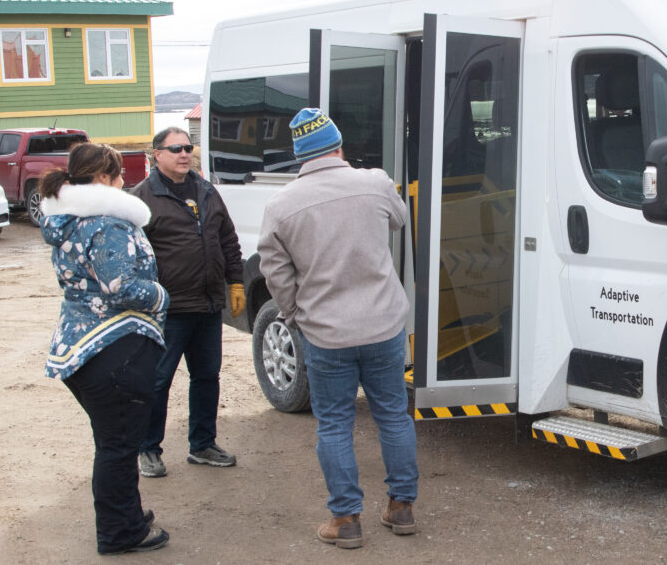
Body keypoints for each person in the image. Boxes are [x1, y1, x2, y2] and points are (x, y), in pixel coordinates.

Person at [258, 108, 418, 549]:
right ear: (338, 146)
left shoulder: (280, 206)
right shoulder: (376, 183)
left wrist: (295, 314)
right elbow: (399, 220)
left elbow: (275, 273)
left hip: (326, 333)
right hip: (383, 325)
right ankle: (402, 507)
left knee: (334, 425)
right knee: (393, 416)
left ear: (299, 155)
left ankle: (346, 518)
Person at [39, 143, 171, 554]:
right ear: (102, 178)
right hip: (113, 348)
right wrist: (161, 295)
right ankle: (119, 533)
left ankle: (126, 517)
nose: (124, 182)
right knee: (118, 446)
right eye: (119, 175)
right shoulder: (107, 224)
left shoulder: (70, 220)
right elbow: (121, 287)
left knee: (115, 442)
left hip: (82, 347)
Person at [131, 127, 245, 478]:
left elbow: (227, 238)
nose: (184, 154)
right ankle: (148, 449)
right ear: (157, 154)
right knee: (157, 381)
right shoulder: (142, 198)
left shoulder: (206, 191)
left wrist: (236, 280)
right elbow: (133, 255)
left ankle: (203, 445)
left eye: (188, 147)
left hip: (208, 306)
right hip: (168, 310)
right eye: (176, 148)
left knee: (207, 377)